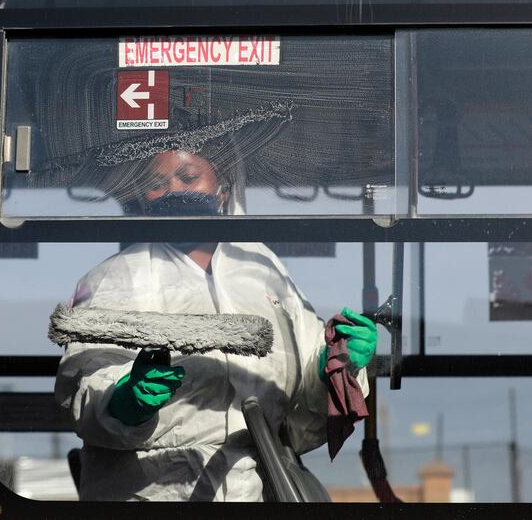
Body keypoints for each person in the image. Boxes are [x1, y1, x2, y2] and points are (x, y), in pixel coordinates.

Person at [54, 148, 378, 501]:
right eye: (156, 183)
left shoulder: (262, 272)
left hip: (255, 486)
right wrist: (124, 403)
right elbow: (85, 386)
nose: (175, 191)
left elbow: (301, 400)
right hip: (149, 492)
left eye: (189, 178)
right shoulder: (115, 277)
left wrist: (334, 362)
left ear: (222, 186)